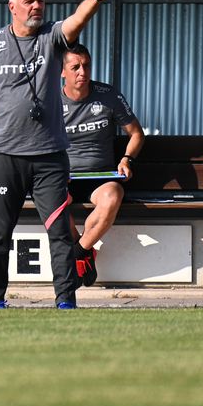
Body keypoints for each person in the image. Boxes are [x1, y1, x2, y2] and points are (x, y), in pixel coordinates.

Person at [0, 0, 109, 309]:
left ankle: (66, 300)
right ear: (12, 6)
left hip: (49, 157)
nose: (37, 6)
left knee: (59, 232)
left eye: (40, 0)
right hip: (3, 157)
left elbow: (76, 22)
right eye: (30, 1)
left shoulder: (52, 38)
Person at [60, 43, 145, 287]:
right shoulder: (50, 100)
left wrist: (127, 159)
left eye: (86, 66)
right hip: (65, 177)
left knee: (113, 196)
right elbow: (37, 141)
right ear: (62, 71)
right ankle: (85, 253)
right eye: (75, 67)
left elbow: (137, 134)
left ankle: (78, 253)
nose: (82, 72)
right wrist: (54, 169)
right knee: (52, 198)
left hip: (101, 177)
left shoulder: (108, 95)